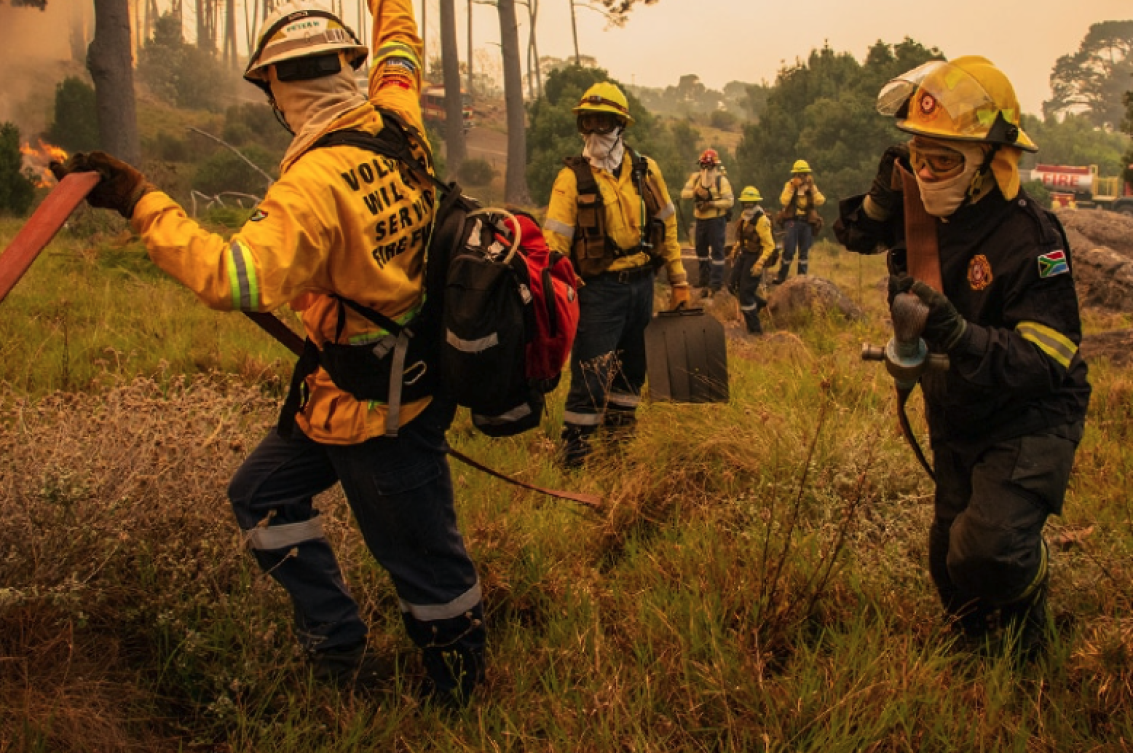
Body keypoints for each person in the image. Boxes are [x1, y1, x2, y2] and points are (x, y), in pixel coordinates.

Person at [51, 0, 487, 705]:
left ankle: (460, 691)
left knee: (426, 566)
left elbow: (234, 277)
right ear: (350, 67)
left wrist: (140, 200)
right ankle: (336, 640)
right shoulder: (396, 118)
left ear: (278, 89)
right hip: (355, 389)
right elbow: (400, 45)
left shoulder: (310, 188)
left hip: (380, 413)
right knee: (260, 494)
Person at [834, 56, 1091, 658]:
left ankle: (1032, 612)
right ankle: (979, 658)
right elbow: (854, 237)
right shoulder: (922, 206)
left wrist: (958, 334)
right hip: (957, 410)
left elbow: (1046, 357)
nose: (925, 172)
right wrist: (878, 200)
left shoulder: (1033, 238)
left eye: (942, 160)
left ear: (985, 165)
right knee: (952, 577)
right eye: (917, 156)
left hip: (1030, 418)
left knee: (988, 553)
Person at [541, 82, 690, 468]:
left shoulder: (646, 170)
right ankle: (575, 457)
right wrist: (557, 301)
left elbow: (668, 226)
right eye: (587, 122)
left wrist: (679, 281)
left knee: (631, 372)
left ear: (621, 126)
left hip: (641, 287)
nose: (594, 132)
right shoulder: (571, 179)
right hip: (598, 293)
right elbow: (554, 247)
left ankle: (619, 449)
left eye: (603, 123)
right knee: (590, 378)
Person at [681, 148, 735, 294]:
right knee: (701, 250)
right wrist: (694, 192)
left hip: (716, 220)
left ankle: (715, 282)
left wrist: (711, 203)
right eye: (703, 165)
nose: (706, 169)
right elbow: (683, 194)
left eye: (709, 166)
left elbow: (729, 201)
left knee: (717, 251)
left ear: (715, 166)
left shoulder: (721, 180)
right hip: (700, 219)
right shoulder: (696, 178)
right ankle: (703, 279)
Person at [728, 186, 776, 335]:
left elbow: (770, 245)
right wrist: (735, 249)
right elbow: (742, 238)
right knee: (731, 285)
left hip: (755, 257)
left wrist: (759, 263)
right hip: (744, 254)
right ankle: (760, 302)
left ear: (756, 203)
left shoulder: (762, 220)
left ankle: (755, 330)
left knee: (745, 294)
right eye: (745, 203)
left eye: (751, 203)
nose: (748, 206)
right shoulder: (744, 218)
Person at [773, 159, 825, 283]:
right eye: (799, 175)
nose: (802, 177)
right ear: (794, 175)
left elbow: (820, 201)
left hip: (806, 223)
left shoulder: (811, 187)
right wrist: (792, 187)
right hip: (792, 222)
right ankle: (781, 276)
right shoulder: (789, 185)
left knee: (804, 252)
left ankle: (802, 279)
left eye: (804, 174)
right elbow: (784, 201)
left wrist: (811, 189)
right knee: (789, 250)